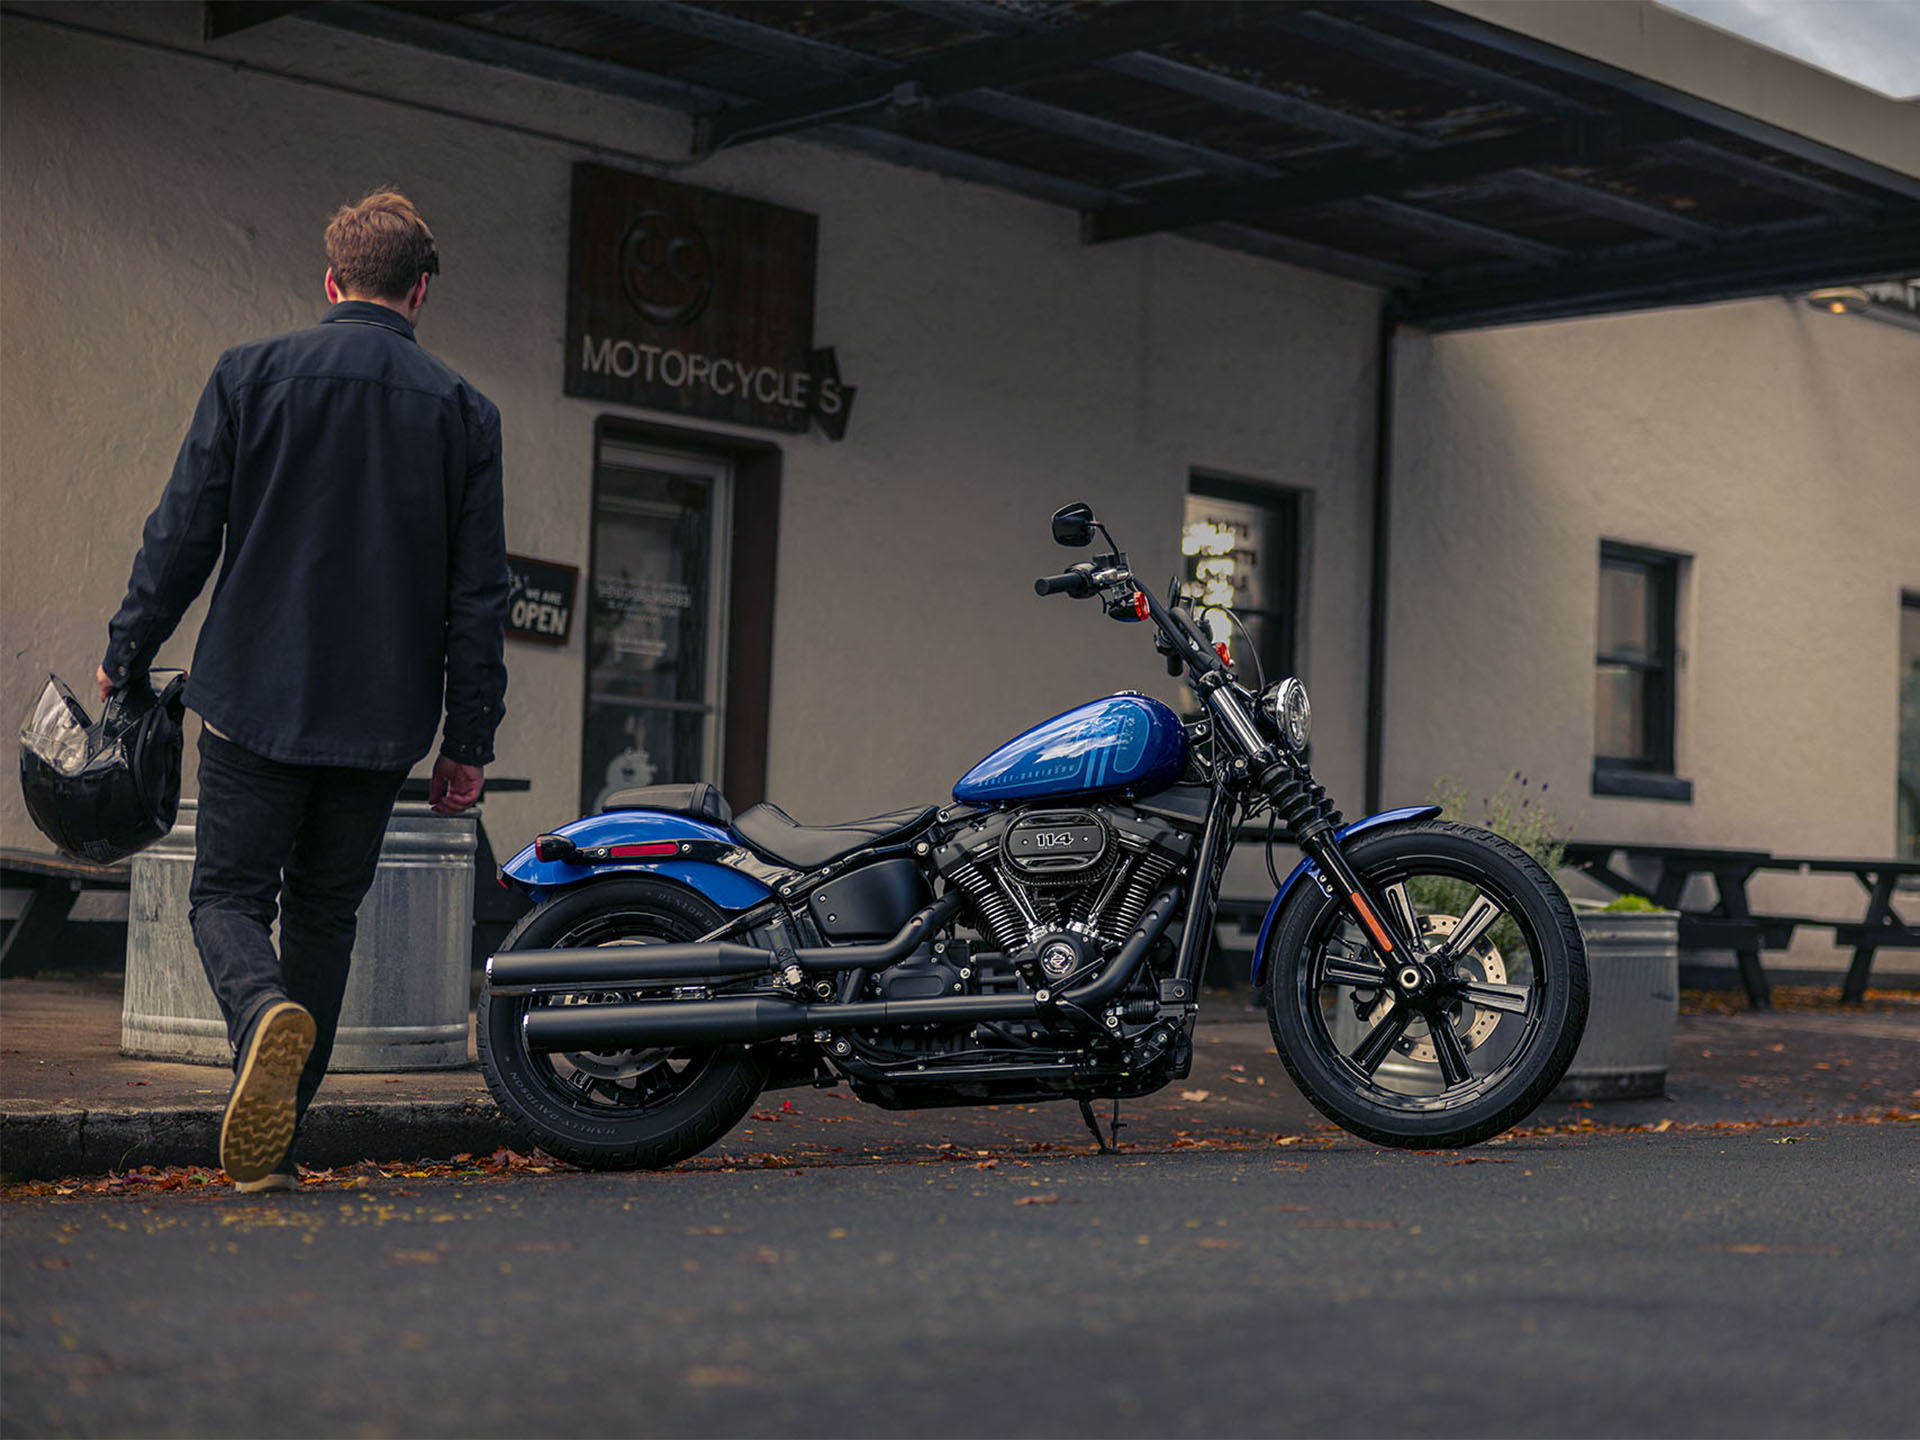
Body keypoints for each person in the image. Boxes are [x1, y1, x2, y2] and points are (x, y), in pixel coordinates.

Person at [98, 190, 508, 1191]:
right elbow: (478, 596)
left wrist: (129, 644)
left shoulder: (251, 375)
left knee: (227, 896)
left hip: (252, 693)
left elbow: (183, 531)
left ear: (331, 283)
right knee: (323, 916)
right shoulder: (466, 413)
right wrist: (470, 739)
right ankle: (274, 1140)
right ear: (420, 291)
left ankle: (257, 1013)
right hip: (380, 718)